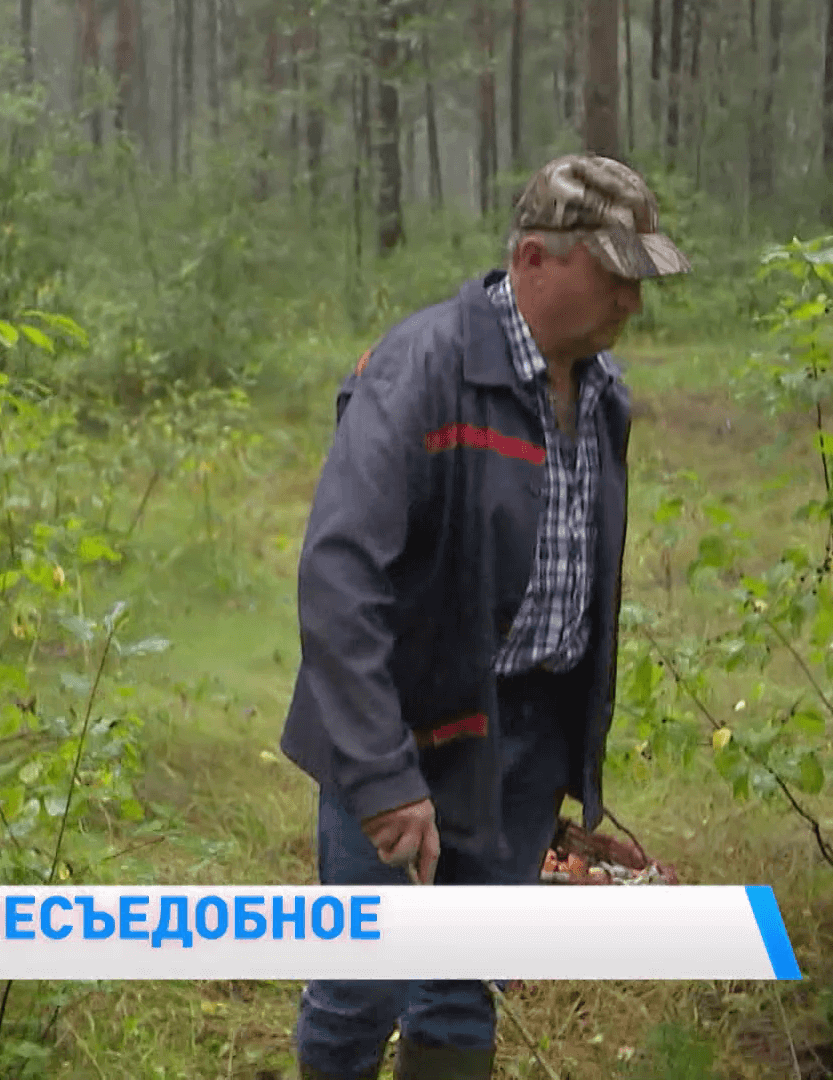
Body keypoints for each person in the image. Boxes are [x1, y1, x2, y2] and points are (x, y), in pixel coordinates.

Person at [277, 154, 690, 1080]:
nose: (632, 300)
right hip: (406, 728)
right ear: (535, 258)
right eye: (615, 275)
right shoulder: (421, 370)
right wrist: (384, 778)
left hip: (525, 738)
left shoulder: (602, 391)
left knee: (465, 983)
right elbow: (340, 578)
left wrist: (565, 759)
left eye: (640, 279)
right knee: (362, 981)